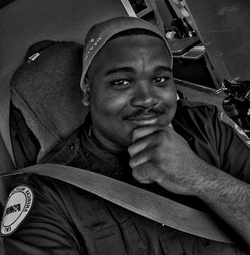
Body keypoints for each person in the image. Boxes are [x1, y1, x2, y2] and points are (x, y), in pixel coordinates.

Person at [1, 16, 250, 254]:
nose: (146, 99)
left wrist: (199, 177)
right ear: (87, 90)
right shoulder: (48, 192)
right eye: (122, 82)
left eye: (160, 78)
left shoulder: (205, 125)